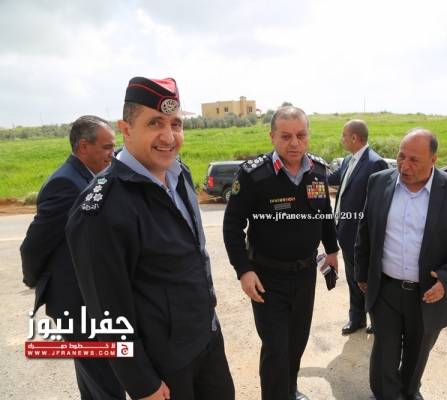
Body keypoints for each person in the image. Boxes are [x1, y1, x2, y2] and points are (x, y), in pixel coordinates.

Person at [66, 77, 234, 400]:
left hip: (206, 340)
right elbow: (106, 309)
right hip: (163, 364)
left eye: (176, 124)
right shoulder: (102, 207)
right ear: (126, 129)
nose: (169, 137)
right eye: (155, 123)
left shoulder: (179, 174)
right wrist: (142, 383)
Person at [355, 128, 447, 400]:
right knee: (384, 355)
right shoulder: (378, 182)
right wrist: (361, 272)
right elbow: (365, 229)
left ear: (433, 160)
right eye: (401, 156)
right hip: (385, 290)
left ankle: (409, 392)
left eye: (414, 160)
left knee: (417, 354)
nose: (404, 166)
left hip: (428, 294)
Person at [223, 106, 339, 400]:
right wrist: (243, 270)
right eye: (286, 136)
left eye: (301, 135)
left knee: (296, 342)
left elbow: (325, 215)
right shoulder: (254, 175)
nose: (294, 143)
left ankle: (289, 390)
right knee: (276, 348)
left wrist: (332, 251)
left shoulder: (318, 171)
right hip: (267, 277)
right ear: (272, 136)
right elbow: (232, 225)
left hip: (304, 275)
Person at [20, 116, 123, 399]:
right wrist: (32, 279)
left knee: (95, 381)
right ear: (83, 147)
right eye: (106, 147)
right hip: (76, 303)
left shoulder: (90, 177)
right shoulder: (66, 184)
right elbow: (34, 245)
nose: (112, 154)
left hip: (90, 299)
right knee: (104, 380)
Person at [327, 119, 388, 335]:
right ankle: (357, 318)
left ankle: (377, 320)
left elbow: (379, 205)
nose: (341, 139)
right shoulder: (347, 160)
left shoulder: (375, 163)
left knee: (367, 279)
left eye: (344, 135)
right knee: (353, 278)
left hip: (362, 236)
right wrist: (310, 169)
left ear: (354, 137)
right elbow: (332, 179)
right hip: (345, 232)